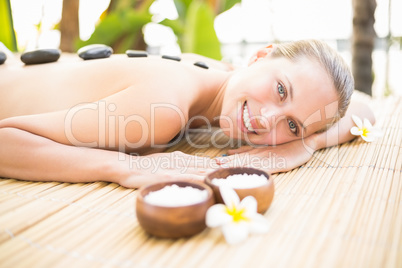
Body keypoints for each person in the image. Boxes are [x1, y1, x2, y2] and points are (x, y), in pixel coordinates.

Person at [0, 39, 374, 188]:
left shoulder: (222, 74)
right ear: (261, 54)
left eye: (291, 124)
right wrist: (121, 166)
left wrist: (302, 146)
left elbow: (364, 111)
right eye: (280, 90)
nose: (268, 119)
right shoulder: (164, 110)